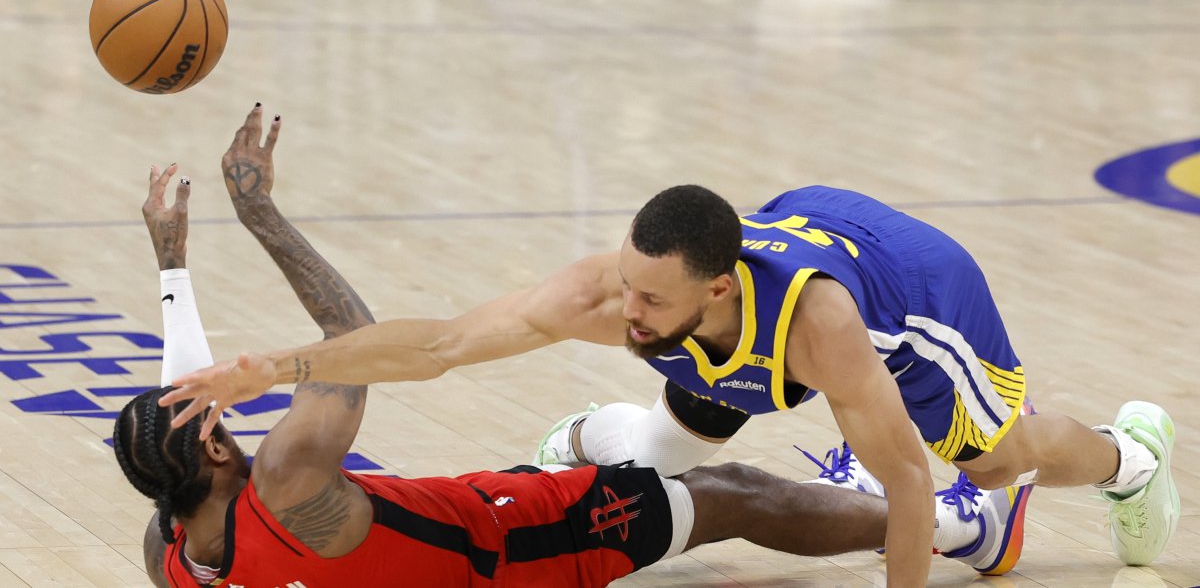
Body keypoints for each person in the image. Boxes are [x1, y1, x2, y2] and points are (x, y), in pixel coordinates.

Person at [162, 106, 1178, 586]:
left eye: (652, 298)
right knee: (681, 406)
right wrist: (281, 367)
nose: (626, 315)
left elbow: (905, 484)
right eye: (626, 285)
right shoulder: (625, 292)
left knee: (985, 459)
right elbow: (440, 346)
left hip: (912, 289)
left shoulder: (824, 332)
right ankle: (615, 433)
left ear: (717, 286)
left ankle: (1132, 460)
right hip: (771, 261)